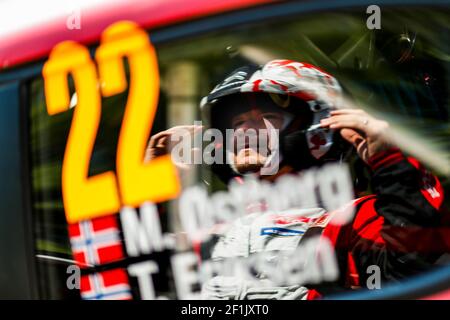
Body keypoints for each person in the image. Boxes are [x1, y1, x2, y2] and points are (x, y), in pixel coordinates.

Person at [146, 59, 447, 299]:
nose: (244, 133)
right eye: (237, 123)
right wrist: (150, 191)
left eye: (267, 119)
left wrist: (391, 164)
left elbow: (408, 271)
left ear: (320, 124)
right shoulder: (205, 229)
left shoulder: (349, 219)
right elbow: (136, 280)